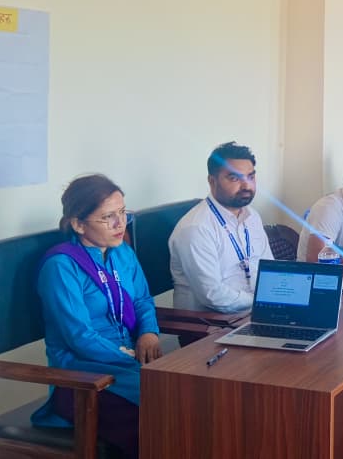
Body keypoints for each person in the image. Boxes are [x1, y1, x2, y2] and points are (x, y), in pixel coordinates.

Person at [34, 175, 161, 459]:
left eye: (123, 212)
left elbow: (142, 299)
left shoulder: (122, 252)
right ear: (78, 224)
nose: (120, 224)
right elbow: (79, 337)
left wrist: (149, 333)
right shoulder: (61, 266)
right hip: (83, 377)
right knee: (161, 408)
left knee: (182, 396)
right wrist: (130, 359)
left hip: (129, 362)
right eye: (108, 217)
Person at [169, 142, 274, 314]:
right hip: (212, 323)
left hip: (254, 313)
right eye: (234, 178)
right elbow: (212, 295)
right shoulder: (195, 228)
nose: (246, 186)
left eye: (250, 177)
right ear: (212, 181)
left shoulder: (252, 216)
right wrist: (260, 301)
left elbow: (269, 269)